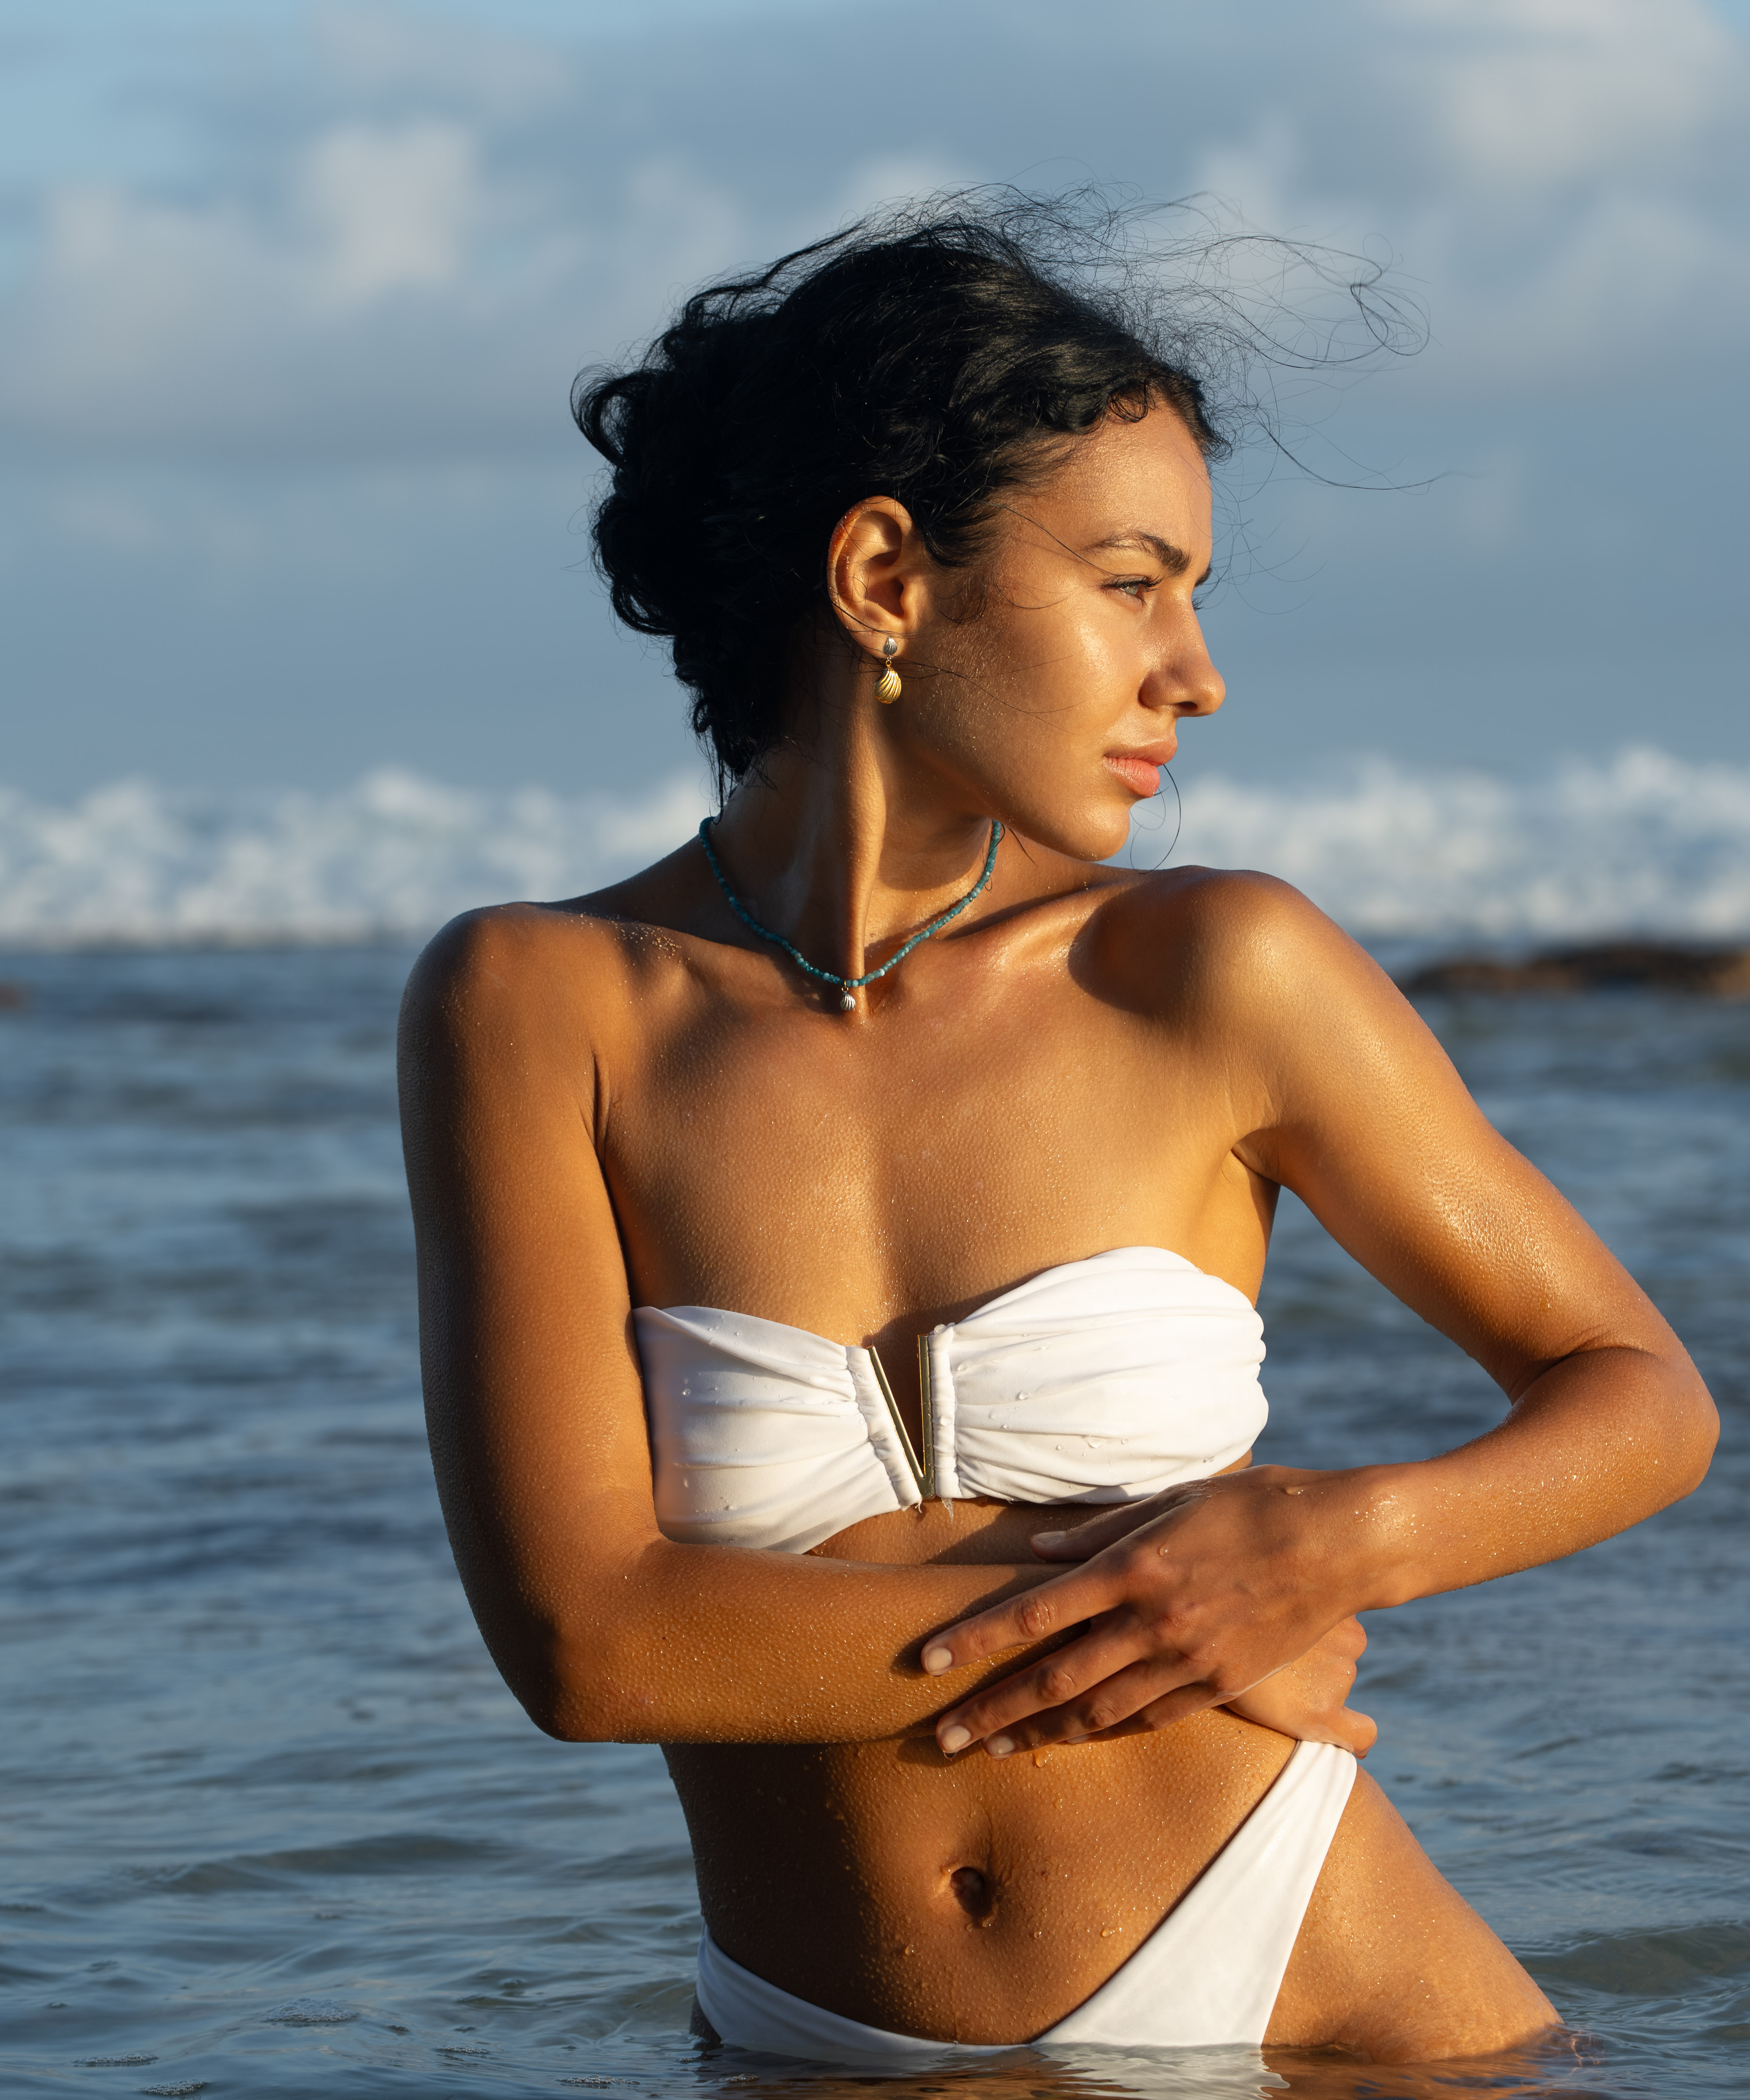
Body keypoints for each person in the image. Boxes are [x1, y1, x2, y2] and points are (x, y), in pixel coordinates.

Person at [397, 198, 1717, 2069]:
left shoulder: (1216, 969)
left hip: (1323, 1996)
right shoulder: (538, 1006)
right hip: (812, 2045)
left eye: (1192, 592)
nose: (1194, 671)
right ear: (885, 579)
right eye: (1129, 582)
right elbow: (593, 1648)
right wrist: (1164, 1608)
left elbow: (1637, 1397)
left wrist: (1334, 1547)